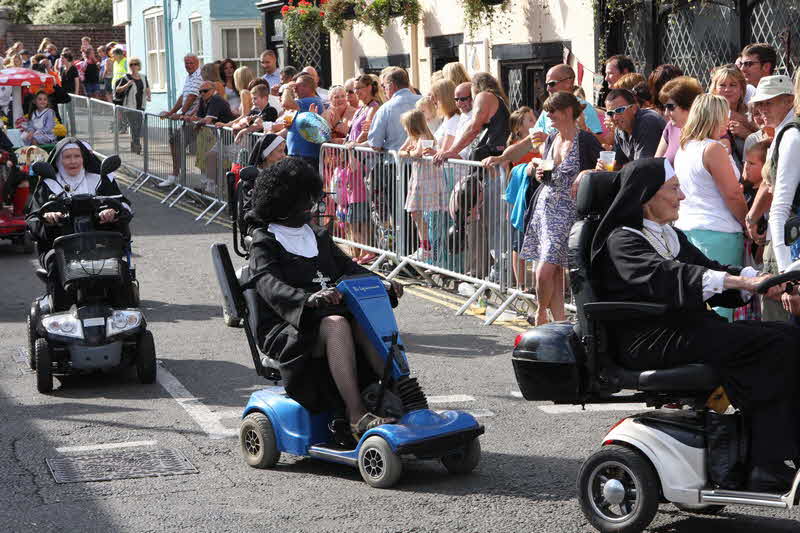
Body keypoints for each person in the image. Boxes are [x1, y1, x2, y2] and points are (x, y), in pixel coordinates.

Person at [590, 157, 800, 493]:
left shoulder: (668, 235)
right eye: (674, 189)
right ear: (646, 197)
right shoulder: (622, 240)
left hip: (683, 330)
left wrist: (761, 281)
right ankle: (764, 463)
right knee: (775, 346)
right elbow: (671, 277)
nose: (683, 197)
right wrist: (738, 283)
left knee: (789, 336)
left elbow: (707, 269)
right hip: (647, 339)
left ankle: (770, 452)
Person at [245, 157, 403, 437]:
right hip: (287, 327)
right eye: (306, 200)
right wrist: (307, 300)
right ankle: (356, 415)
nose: (312, 206)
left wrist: (384, 283)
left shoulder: (317, 236)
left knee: (362, 319)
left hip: (325, 316)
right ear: (285, 202)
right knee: (336, 324)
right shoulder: (264, 242)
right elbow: (269, 285)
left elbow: (350, 268)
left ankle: (405, 398)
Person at [519, 91, 602, 325]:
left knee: (545, 270)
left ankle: (540, 312)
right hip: (545, 209)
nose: (548, 115)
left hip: (569, 212)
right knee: (553, 271)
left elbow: (603, 171)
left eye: (552, 111)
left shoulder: (585, 140)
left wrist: (586, 172)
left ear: (567, 112)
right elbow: (546, 173)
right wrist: (537, 173)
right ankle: (560, 323)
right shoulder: (551, 138)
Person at [674, 93, 747, 320]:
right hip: (719, 230)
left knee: (696, 301)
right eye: (724, 115)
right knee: (722, 302)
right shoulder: (712, 148)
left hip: (687, 229)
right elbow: (732, 193)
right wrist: (749, 222)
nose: (727, 120)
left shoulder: (684, 148)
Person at [26, 138, 131, 276]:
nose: (73, 161)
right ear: (59, 160)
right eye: (67, 157)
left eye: (77, 156)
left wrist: (113, 211)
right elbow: (33, 219)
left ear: (84, 158)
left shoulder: (99, 179)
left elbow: (124, 206)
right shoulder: (49, 184)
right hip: (59, 246)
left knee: (121, 270)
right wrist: (47, 217)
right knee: (56, 268)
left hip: (101, 242)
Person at [758, 75, 800, 275]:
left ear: (789, 100)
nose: (763, 109)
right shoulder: (783, 133)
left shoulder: (791, 136)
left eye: (769, 102)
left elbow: (781, 206)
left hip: (790, 243)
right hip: (784, 239)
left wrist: (785, 272)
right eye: (760, 104)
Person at [398, 109, 446, 262]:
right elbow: (401, 151)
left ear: (412, 125)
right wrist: (409, 152)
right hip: (418, 178)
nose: (405, 129)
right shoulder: (413, 137)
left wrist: (410, 153)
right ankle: (424, 247)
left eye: (406, 126)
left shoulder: (424, 136)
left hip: (427, 180)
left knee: (423, 214)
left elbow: (417, 153)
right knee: (415, 212)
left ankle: (428, 248)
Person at [433, 72, 509, 163]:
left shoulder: (484, 96)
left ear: (475, 87)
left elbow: (473, 129)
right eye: (456, 100)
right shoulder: (496, 98)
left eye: (464, 99)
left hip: (492, 156)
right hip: (496, 154)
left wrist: (452, 151)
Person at [529, 65, 605, 146]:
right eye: (547, 84)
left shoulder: (584, 108)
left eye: (551, 84)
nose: (548, 89)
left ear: (568, 82)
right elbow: (534, 138)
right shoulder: (547, 109)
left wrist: (549, 140)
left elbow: (600, 143)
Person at [158, 54, 202, 188]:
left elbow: (192, 97)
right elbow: (183, 96)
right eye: (186, 63)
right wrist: (171, 112)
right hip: (188, 119)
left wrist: (181, 114)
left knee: (202, 151)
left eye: (191, 63)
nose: (188, 65)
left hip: (195, 120)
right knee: (175, 141)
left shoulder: (198, 76)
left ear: (197, 63)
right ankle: (177, 175)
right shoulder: (190, 77)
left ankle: (180, 176)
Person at [191, 80, 236, 196]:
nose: (202, 93)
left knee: (236, 165)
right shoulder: (203, 100)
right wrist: (188, 118)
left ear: (213, 90)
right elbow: (198, 117)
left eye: (205, 91)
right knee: (210, 156)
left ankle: (233, 193)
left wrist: (197, 124)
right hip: (222, 137)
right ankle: (211, 188)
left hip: (233, 137)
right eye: (200, 91)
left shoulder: (216, 99)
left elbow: (207, 120)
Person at [601, 88, 665, 169]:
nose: (615, 117)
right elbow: (617, 164)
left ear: (634, 109)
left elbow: (643, 168)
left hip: (663, 179)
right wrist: (603, 166)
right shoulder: (619, 130)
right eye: (610, 113)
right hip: (642, 176)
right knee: (587, 175)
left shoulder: (647, 122)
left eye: (619, 110)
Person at [709, 64, 754, 170]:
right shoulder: (708, 115)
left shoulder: (753, 112)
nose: (727, 89)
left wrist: (746, 134)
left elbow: (766, 141)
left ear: (741, 89)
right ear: (715, 89)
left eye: (733, 85)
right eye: (722, 85)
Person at [366, 67, 420, 152]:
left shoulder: (385, 108)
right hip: (423, 162)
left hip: (395, 161)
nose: (383, 90)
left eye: (384, 86)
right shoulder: (424, 101)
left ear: (392, 85)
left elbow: (375, 144)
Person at [654, 76, 703, 165]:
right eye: (665, 107)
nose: (666, 113)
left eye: (670, 107)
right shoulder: (671, 127)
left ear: (689, 105)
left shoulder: (710, 131)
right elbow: (655, 165)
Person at [284, 74, 325, 169]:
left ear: (307, 87)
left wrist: (287, 88)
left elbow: (286, 103)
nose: (295, 89)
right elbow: (287, 121)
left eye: (297, 86)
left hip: (306, 156)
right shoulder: (301, 103)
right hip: (295, 154)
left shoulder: (311, 101)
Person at [114, 57, 150, 154]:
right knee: (134, 126)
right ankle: (137, 146)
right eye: (131, 65)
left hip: (141, 105)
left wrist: (149, 96)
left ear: (139, 66)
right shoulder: (126, 77)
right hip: (130, 106)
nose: (133, 66)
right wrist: (127, 85)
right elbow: (117, 89)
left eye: (135, 64)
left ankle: (134, 143)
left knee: (138, 126)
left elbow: (147, 88)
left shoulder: (143, 77)